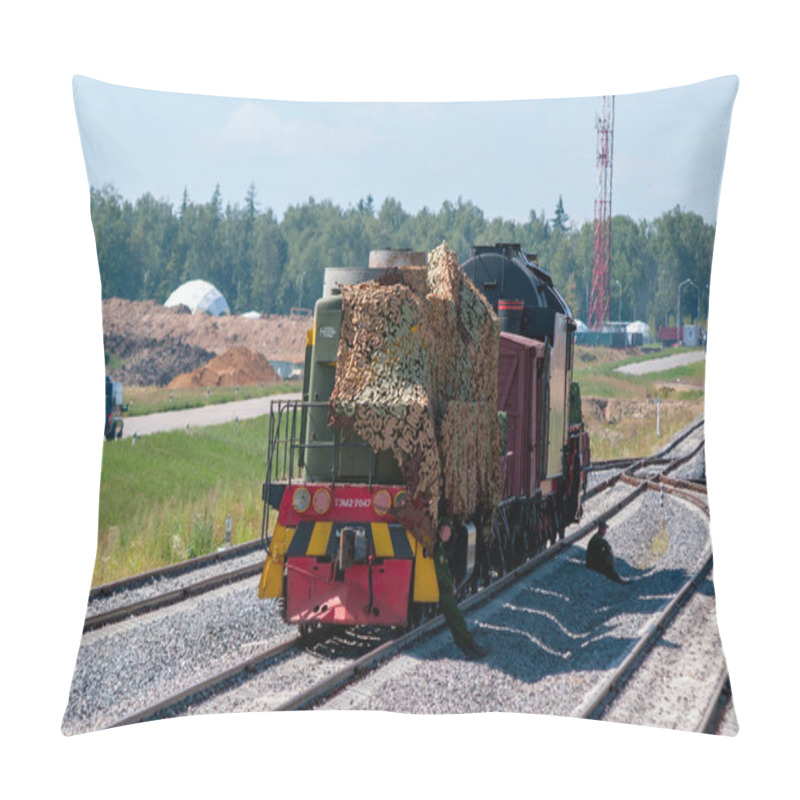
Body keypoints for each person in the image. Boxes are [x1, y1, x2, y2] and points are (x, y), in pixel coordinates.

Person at [434, 519, 488, 660]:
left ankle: (468, 647)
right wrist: (451, 587)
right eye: (449, 532)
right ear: (444, 530)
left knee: (455, 620)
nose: (450, 535)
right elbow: (442, 574)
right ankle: (470, 646)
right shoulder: (438, 550)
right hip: (443, 591)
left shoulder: (439, 547)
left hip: (443, 589)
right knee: (456, 618)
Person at [585, 519, 626, 583]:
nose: (605, 531)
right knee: (608, 567)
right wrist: (611, 561)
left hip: (591, 562)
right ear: (601, 529)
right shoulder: (598, 539)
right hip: (592, 564)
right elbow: (608, 549)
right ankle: (617, 579)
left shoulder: (597, 537)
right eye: (604, 529)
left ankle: (616, 577)